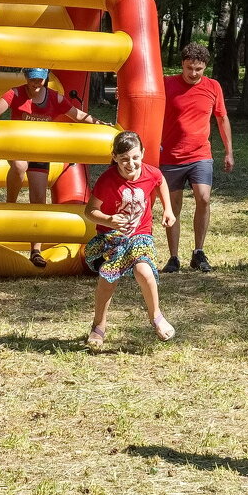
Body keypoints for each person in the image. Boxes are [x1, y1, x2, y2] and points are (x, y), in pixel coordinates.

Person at [0, 67, 106, 267]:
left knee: (38, 199)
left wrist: (100, 124)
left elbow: (78, 115)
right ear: (26, 78)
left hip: (40, 152)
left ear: (45, 79)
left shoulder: (55, 98)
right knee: (19, 166)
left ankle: (35, 250)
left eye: (40, 80)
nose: (36, 84)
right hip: (16, 148)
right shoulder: (16, 93)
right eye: (32, 80)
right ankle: (10, 206)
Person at [83, 130, 176, 351]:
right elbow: (89, 211)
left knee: (144, 271)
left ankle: (157, 317)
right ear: (114, 157)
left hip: (140, 235)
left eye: (135, 157)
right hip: (112, 238)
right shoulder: (107, 180)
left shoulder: (150, 173)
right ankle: (99, 326)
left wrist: (168, 210)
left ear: (142, 153)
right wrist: (109, 219)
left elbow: (160, 180)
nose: (131, 164)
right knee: (108, 279)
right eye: (124, 159)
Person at [159, 42, 234, 274]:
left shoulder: (213, 87)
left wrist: (229, 151)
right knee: (174, 206)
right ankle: (173, 257)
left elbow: (222, 119)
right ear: (182, 64)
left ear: (205, 68)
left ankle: (198, 252)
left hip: (200, 154)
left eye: (198, 69)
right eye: (189, 68)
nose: (193, 73)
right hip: (170, 156)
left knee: (204, 198)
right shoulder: (166, 83)